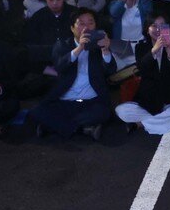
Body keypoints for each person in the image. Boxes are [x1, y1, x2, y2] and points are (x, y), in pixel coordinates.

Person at [33, 8, 117, 140]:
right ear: (72, 28)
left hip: (91, 100)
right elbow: (60, 66)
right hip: (66, 100)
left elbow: (111, 70)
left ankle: (53, 126)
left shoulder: (99, 46)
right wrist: (79, 48)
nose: (86, 27)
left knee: (104, 113)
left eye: (90, 23)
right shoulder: (62, 45)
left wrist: (105, 51)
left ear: (95, 26)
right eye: (81, 23)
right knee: (37, 111)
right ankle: (83, 129)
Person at [117, 15, 170, 135]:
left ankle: (140, 124)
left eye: (162, 26)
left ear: (168, 28)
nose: (158, 29)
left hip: (169, 100)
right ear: (147, 28)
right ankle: (159, 121)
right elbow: (142, 68)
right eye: (154, 25)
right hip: (147, 102)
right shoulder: (141, 47)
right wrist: (153, 51)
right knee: (121, 110)